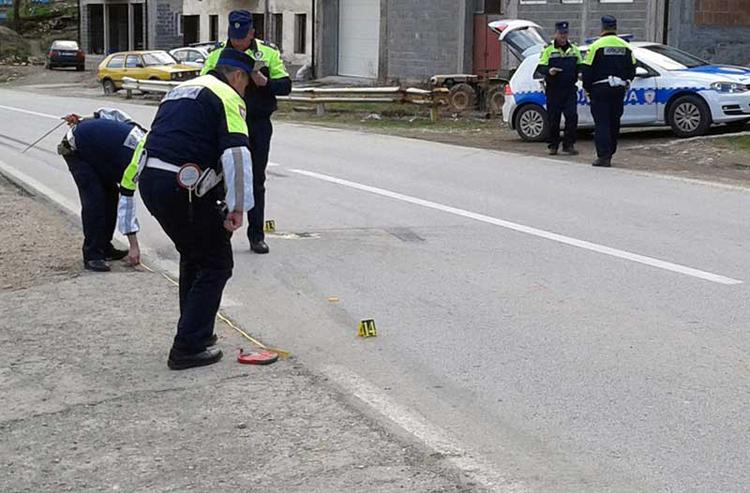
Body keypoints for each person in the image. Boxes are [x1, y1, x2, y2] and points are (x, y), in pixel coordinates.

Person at [133, 48, 255, 370]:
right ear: (238, 76)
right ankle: (188, 346)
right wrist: (239, 207)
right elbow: (237, 154)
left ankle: (197, 331)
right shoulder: (228, 96)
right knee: (216, 262)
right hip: (181, 186)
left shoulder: (181, 90)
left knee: (194, 255)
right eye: (246, 84)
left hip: (153, 180)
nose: (245, 92)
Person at [201, 10, 292, 254]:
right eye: (235, 36)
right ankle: (219, 232)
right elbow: (203, 84)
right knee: (217, 178)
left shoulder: (267, 52)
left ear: (252, 32)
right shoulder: (217, 53)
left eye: (243, 37)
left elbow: (286, 86)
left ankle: (256, 236)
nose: (239, 42)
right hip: (225, 123)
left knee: (256, 180)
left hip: (256, 124)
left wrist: (266, 83)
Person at [58, 109, 144, 271]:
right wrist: (134, 246)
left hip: (100, 154)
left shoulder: (144, 135)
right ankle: (92, 256)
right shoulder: (136, 162)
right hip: (76, 150)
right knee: (95, 200)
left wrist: (85, 118)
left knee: (111, 196)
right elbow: (128, 204)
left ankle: (105, 247)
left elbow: (116, 114)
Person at [582, 15, 636, 167]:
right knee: (614, 122)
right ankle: (611, 151)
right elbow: (632, 69)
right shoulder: (625, 46)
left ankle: (603, 156)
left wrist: (587, 88)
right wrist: (626, 82)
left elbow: (587, 69)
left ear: (602, 28)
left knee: (602, 123)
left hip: (600, 89)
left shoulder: (596, 46)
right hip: (618, 89)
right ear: (616, 27)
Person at [535, 21, 582, 156]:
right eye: (561, 34)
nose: (563, 36)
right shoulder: (548, 49)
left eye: (565, 33)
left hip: (569, 90)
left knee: (572, 117)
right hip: (554, 90)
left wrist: (580, 72)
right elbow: (540, 67)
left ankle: (569, 145)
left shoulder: (574, 49)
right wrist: (549, 71)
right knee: (553, 119)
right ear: (555, 34)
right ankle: (553, 146)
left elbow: (580, 64)